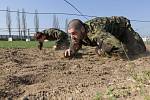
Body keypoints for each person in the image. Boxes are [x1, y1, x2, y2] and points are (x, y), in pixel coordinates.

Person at [64, 16, 146, 58]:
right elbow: (75, 43)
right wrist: (71, 50)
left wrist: (99, 51)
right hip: (111, 33)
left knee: (140, 50)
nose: (72, 37)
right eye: (70, 34)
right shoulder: (79, 33)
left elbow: (119, 49)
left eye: (74, 33)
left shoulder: (96, 32)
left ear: (82, 29)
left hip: (123, 29)